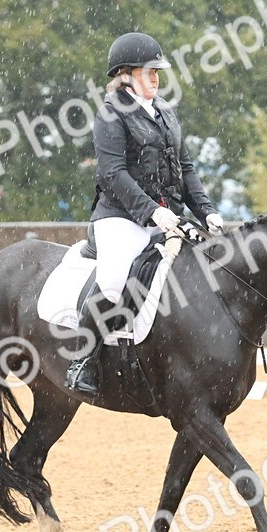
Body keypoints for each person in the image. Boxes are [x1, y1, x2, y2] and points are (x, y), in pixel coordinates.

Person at [66, 32, 224, 395]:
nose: (155, 78)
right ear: (125, 74)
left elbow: (186, 168)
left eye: (158, 72)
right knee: (113, 281)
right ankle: (83, 361)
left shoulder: (166, 112)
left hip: (167, 216)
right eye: (148, 71)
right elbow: (112, 173)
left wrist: (207, 210)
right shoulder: (111, 114)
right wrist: (150, 211)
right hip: (120, 217)